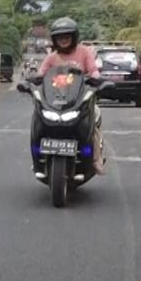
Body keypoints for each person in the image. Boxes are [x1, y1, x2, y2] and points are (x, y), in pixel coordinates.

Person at [34, 17, 106, 172]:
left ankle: (96, 158)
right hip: (55, 102)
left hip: (79, 100)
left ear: (74, 37)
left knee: (95, 117)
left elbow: (93, 70)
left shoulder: (84, 52)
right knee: (38, 117)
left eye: (67, 36)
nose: (64, 40)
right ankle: (37, 158)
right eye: (60, 37)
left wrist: (96, 79)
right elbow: (42, 73)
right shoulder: (52, 57)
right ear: (55, 40)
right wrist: (33, 81)